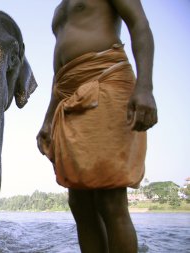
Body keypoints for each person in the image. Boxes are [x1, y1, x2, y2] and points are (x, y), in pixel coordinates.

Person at [37, 0, 157, 252]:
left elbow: (139, 23)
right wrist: (48, 119)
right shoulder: (60, 7)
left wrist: (145, 86)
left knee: (110, 199)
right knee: (79, 202)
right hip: (68, 94)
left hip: (106, 79)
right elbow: (60, 72)